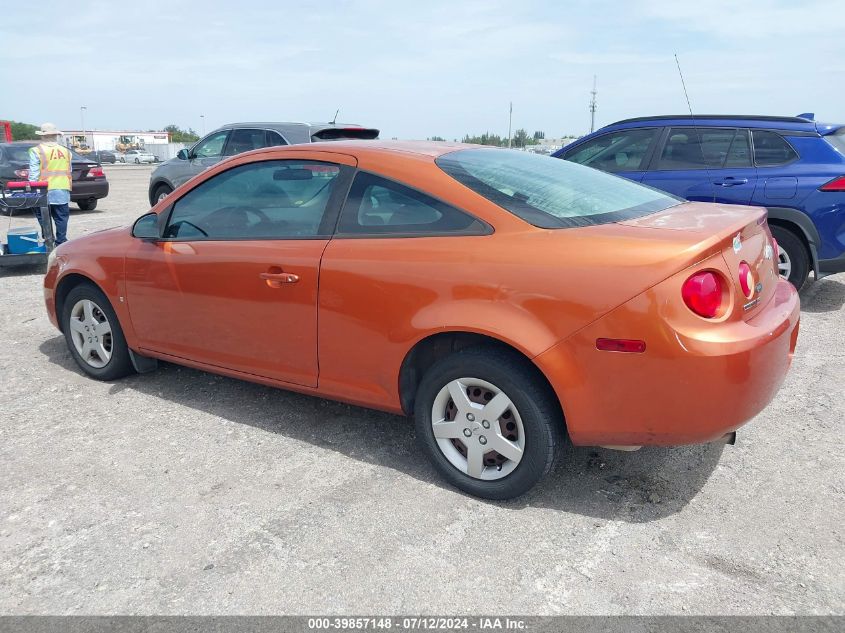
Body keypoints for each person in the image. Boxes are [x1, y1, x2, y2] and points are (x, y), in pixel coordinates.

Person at [28, 122, 72, 245]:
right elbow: (69, 170)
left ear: (42, 136)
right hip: (62, 189)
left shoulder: (36, 151)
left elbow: (34, 173)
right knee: (61, 218)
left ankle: (49, 239)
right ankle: (61, 241)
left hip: (43, 190)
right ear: (56, 135)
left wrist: (31, 190)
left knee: (43, 217)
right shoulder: (66, 151)